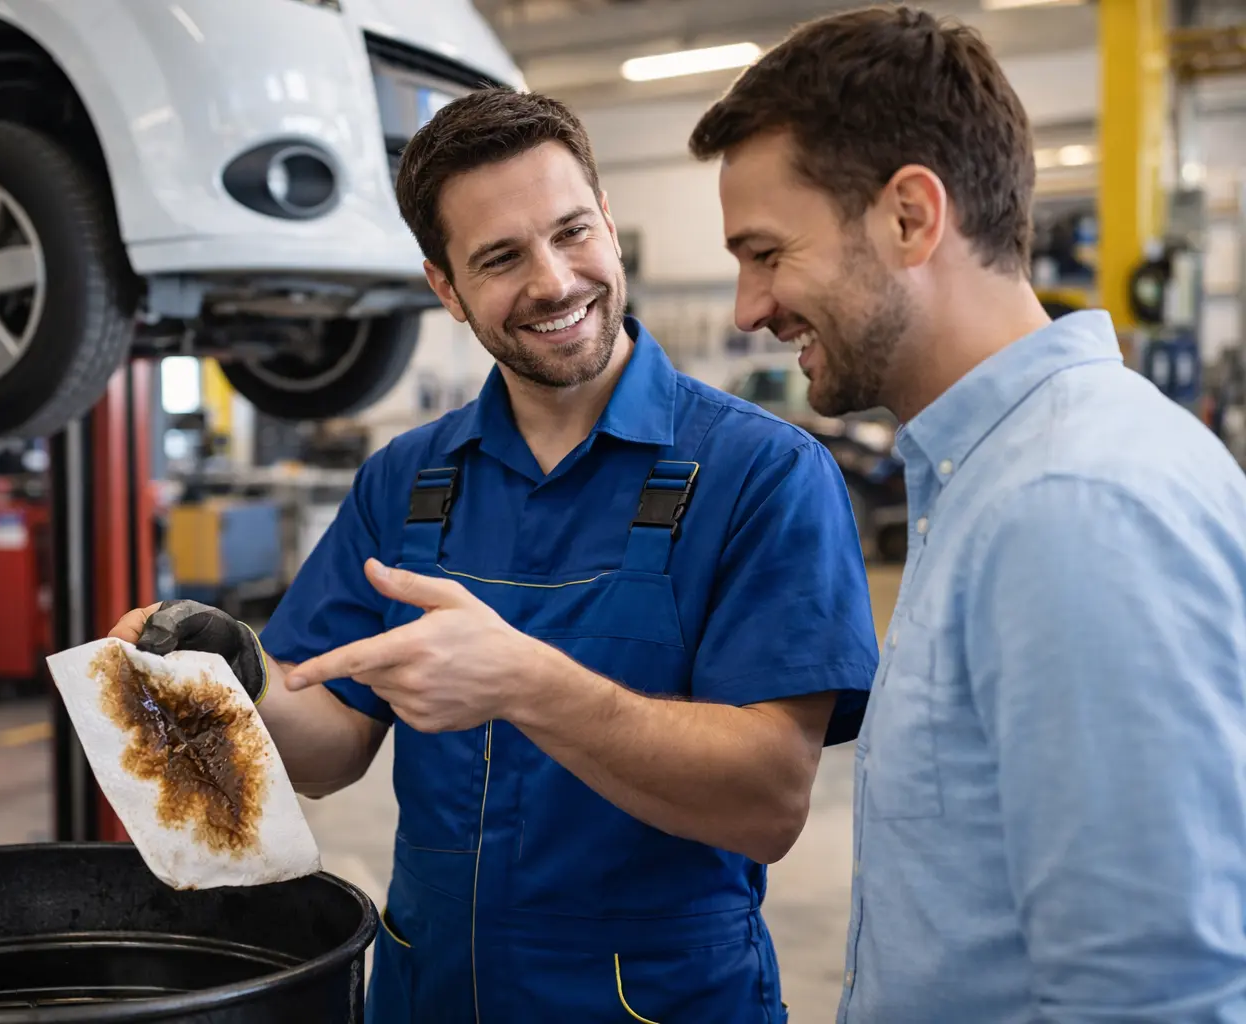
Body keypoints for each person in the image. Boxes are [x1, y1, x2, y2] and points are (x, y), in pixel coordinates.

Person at [111, 88, 879, 1023]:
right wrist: (235, 673)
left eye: (573, 231)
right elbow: (331, 749)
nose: (555, 281)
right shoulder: (405, 480)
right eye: (502, 257)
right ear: (446, 287)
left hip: (655, 1003)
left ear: (607, 220)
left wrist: (526, 683)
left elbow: (767, 803)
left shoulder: (761, 475)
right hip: (428, 992)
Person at [688, 6, 1246, 1023]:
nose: (747, 307)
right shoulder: (989, 482)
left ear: (910, 217)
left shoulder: (1067, 509)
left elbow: (1149, 995)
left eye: (766, 252)